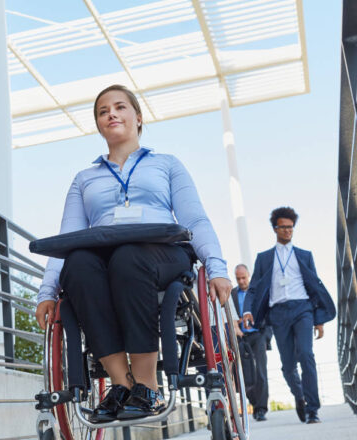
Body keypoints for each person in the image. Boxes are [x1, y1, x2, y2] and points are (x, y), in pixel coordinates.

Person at [34, 84, 232, 423]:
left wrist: (216, 266)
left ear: (137, 118)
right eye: (102, 111)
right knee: (78, 265)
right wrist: (47, 292)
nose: (111, 113)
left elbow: (194, 219)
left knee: (128, 257)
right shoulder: (85, 179)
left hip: (161, 252)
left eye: (120, 107)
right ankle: (121, 382)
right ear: (98, 125)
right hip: (102, 257)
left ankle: (147, 382)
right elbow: (67, 238)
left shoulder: (167, 164)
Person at [242, 207, 336, 424]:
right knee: (288, 365)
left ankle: (313, 409)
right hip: (278, 313)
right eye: (283, 227)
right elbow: (254, 288)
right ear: (275, 229)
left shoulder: (304, 255)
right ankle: (300, 396)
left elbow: (314, 288)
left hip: (303, 309)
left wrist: (319, 320)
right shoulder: (264, 258)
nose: (288, 231)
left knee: (306, 355)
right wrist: (247, 310)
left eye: (291, 227)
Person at [231, 264, 272, 421]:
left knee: (261, 372)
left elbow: (269, 314)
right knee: (244, 374)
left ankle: (261, 409)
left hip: (258, 335)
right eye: (238, 278)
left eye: (244, 277)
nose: (241, 281)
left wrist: (266, 337)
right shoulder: (232, 294)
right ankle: (255, 403)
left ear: (249, 276)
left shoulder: (258, 292)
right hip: (241, 337)